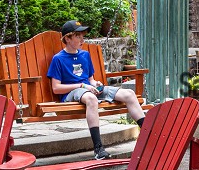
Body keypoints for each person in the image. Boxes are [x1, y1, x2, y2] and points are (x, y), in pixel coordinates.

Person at [47, 20, 146, 159]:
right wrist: (82, 86)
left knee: (129, 94)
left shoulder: (85, 55)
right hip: (72, 93)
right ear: (67, 39)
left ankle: (150, 134)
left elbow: (91, 80)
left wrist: (96, 84)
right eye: (78, 36)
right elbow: (56, 88)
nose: (82, 39)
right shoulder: (58, 59)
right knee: (91, 99)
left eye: (83, 35)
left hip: (88, 89)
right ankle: (98, 149)